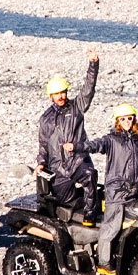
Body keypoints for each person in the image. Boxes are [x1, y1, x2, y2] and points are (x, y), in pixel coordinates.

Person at [64, 76, 138, 275]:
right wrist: (75, 147)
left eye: (130, 118)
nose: (127, 122)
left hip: (136, 192)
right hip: (117, 193)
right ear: (117, 122)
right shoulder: (111, 140)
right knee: (111, 228)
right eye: (123, 119)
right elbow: (93, 145)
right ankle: (103, 264)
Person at [36, 48, 100, 221]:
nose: (61, 96)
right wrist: (41, 163)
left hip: (78, 161)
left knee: (89, 175)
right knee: (64, 200)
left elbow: (88, 89)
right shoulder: (46, 119)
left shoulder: (76, 106)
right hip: (59, 167)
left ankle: (90, 214)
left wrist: (93, 64)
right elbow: (43, 145)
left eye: (63, 92)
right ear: (51, 96)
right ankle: (86, 199)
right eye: (57, 93)